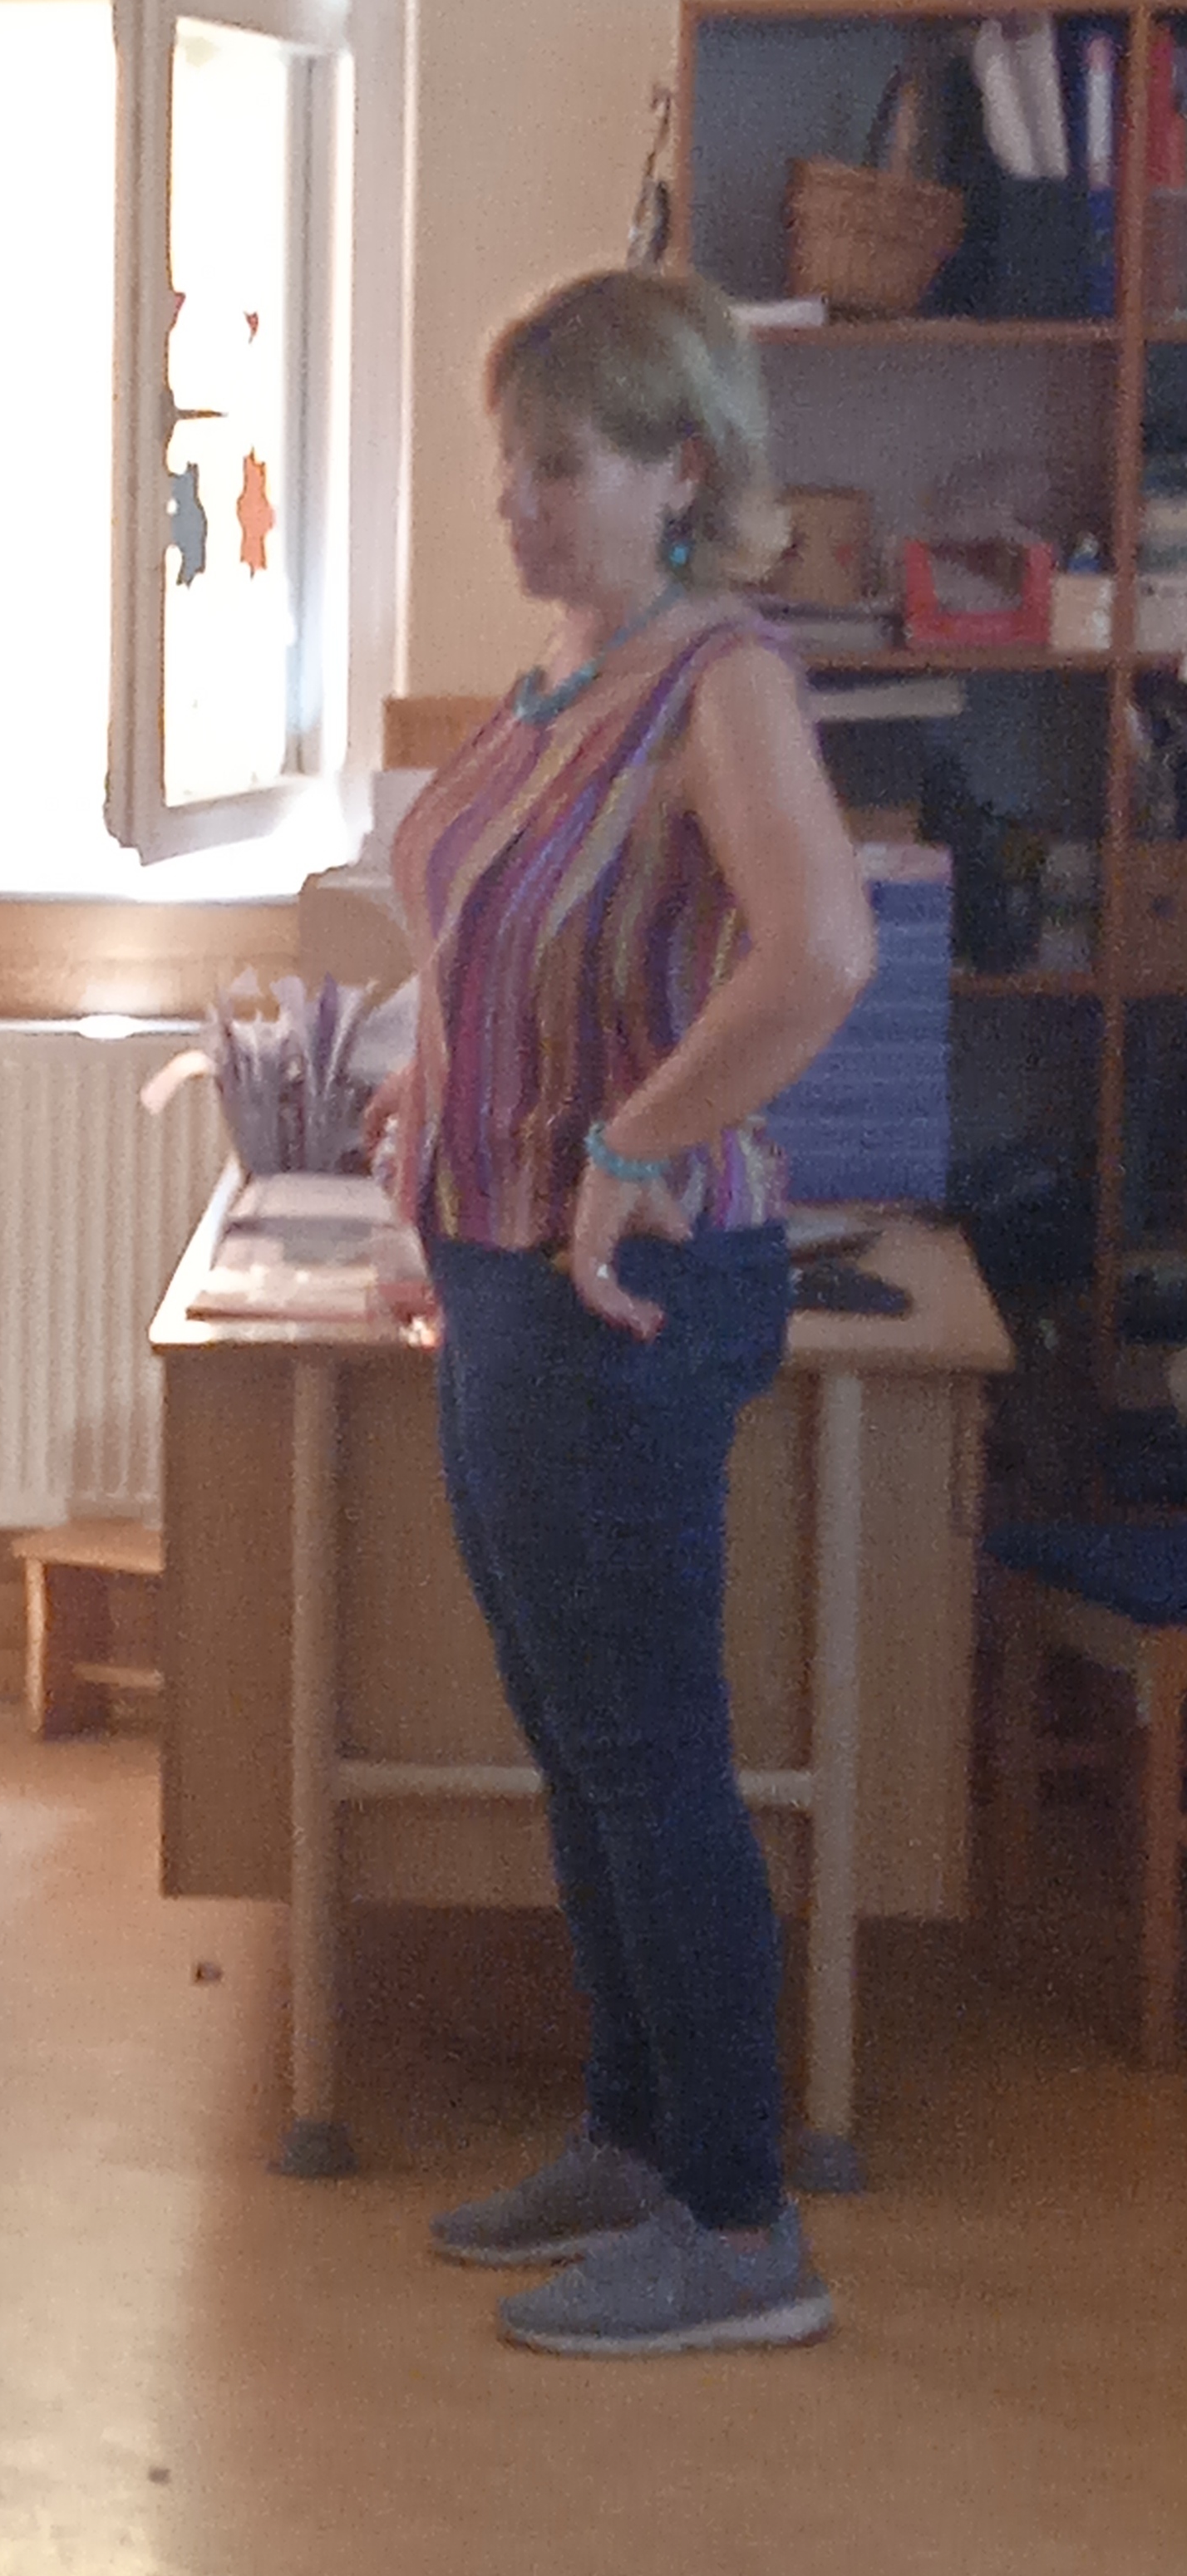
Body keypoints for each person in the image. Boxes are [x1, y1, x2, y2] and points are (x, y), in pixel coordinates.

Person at [384, 267, 875, 2359]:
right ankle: (636, 2135)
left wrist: (630, 1140)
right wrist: (429, 1113)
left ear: (681, 472)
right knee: (576, 1741)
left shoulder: (716, 682)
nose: (514, 502)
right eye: (507, 463)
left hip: (623, 1287)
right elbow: (484, 943)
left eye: (557, 465)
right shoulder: (567, 678)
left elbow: (818, 954)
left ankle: (740, 2222)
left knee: (648, 1749)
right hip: (501, 1267)